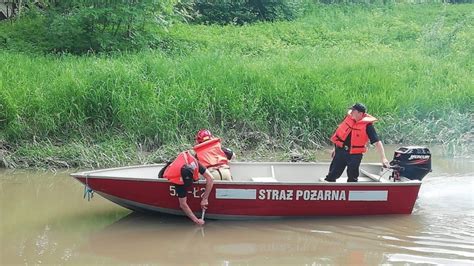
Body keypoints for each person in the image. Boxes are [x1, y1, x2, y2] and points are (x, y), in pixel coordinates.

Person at [325, 103, 389, 182]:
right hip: (340, 151)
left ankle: (352, 191)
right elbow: (340, 135)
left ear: (360, 113)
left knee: (352, 176)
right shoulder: (348, 119)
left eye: (353, 111)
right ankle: (330, 189)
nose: (351, 112)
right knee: (332, 175)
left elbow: (377, 142)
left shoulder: (368, 126)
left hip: (354, 155)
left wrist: (383, 158)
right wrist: (335, 149)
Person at [159, 150, 214, 225]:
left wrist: (205, 198)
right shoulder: (178, 180)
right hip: (167, 173)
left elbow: (210, 178)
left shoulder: (194, 163)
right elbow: (183, 204)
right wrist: (196, 220)